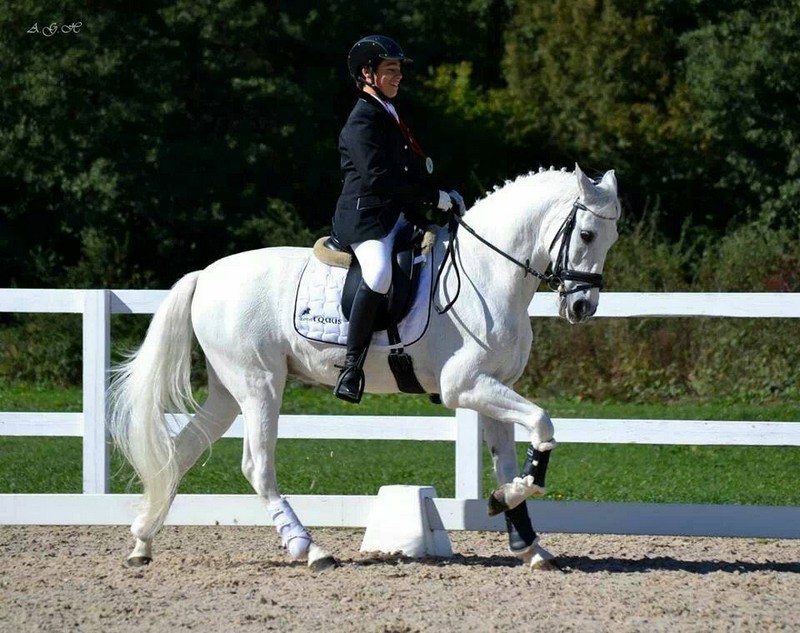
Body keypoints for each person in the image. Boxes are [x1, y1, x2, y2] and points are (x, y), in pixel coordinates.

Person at [331, 34, 465, 403]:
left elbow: (408, 170)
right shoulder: (362, 121)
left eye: (398, 70)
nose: (398, 76)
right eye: (391, 70)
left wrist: (443, 193)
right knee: (378, 273)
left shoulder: (389, 114)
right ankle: (351, 367)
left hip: (394, 215)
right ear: (367, 73)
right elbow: (379, 179)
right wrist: (430, 198)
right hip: (367, 220)